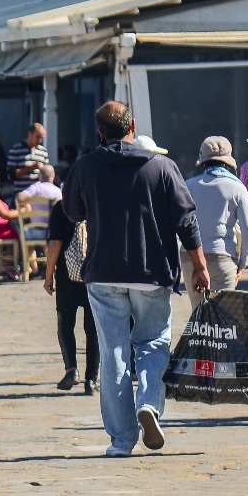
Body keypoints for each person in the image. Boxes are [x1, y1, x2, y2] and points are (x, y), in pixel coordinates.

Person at [60, 101, 203, 456]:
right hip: (152, 271)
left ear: (100, 133)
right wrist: (199, 265)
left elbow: (72, 210)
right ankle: (149, 404)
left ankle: (121, 440)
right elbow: (186, 219)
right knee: (154, 342)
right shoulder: (162, 166)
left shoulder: (86, 166)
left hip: (104, 271)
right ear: (133, 126)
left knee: (114, 353)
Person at [40, 174, 96, 392]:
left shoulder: (62, 208)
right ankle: (92, 380)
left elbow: (55, 243)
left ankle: (71, 369)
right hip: (94, 273)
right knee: (93, 329)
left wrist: (48, 274)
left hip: (67, 275)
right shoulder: (98, 205)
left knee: (65, 323)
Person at [187, 136, 248, 295]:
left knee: (198, 315)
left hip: (190, 257)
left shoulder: (188, 185)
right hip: (222, 257)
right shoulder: (237, 188)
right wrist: (242, 263)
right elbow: (247, 229)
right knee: (223, 315)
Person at [7, 123, 50, 190]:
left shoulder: (43, 152)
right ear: (30, 134)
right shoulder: (16, 150)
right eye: (37, 137)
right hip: (21, 194)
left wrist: (42, 171)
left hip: (39, 194)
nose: (39, 141)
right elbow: (11, 175)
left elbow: (47, 176)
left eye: (41, 138)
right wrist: (29, 168)